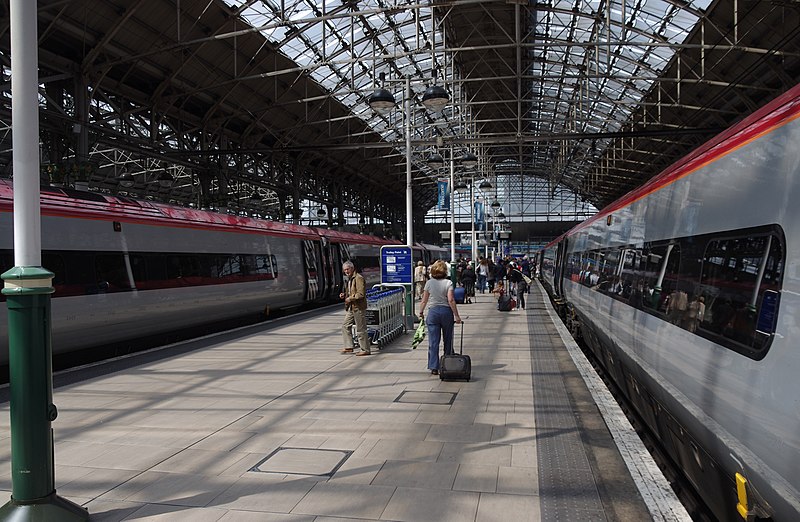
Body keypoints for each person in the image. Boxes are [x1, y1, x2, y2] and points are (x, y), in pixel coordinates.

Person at [418, 260, 462, 375]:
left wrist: (421, 312)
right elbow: (451, 300)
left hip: (433, 313)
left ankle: (434, 366)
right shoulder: (448, 283)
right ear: (445, 271)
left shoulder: (429, 283)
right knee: (448, 339)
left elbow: (424, 300)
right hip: (446, 312)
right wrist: (457, 316)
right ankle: (447, 363)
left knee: (433, 342)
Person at [339, 260, 370, 356]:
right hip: (351, 307)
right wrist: (344, 295)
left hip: (358, 307)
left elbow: (360, 294)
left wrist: (350, 298)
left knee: (361, 329)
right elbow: (351, 291)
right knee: (345, 325)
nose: (346, 272)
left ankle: (365, 349)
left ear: (352, 268)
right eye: (344, 270)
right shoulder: (350, 279)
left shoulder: (358, 278)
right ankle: (349, 346)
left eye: (347, 269)